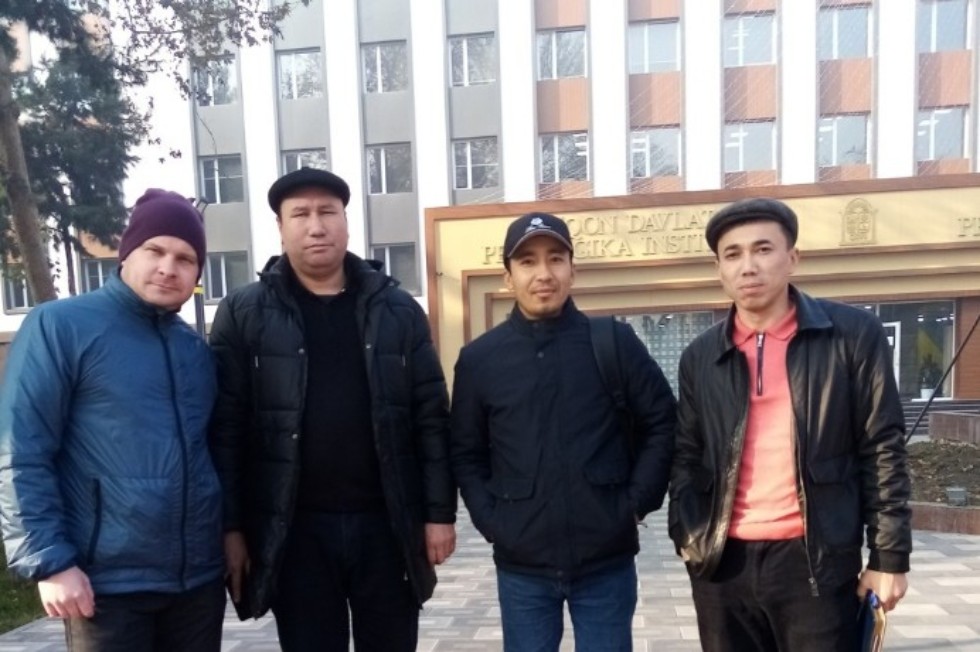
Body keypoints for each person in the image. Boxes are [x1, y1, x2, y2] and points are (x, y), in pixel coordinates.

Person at [208, 167, 456, 651]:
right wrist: (231, 527)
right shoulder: (244, 313)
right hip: (294, 530)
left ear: (346, 221)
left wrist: (439, 514)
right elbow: (226, 430)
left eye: (328, 212)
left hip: (387, 525)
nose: (316, 226)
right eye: (300, 214)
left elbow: (431, 419)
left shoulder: (398, 310)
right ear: (280, 227)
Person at [668, 197, 912, 651]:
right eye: (733, 254)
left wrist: (889, 556)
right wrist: (686, 533)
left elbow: (882, 447)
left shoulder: (852, 335)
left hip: (816, 561)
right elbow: (687, 453)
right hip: (722, 565)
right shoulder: (701, 356)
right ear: (719, 268)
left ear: (792, 258)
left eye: (763, 249)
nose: (748, 266)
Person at [0, 190, 225, 651]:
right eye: (155, 250)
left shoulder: (194, 350)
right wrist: (49, 561)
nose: (168, 267)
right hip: (105, 586)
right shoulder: (60, 326)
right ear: (126, 254)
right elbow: (20, 449)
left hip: (196, 584)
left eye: (185, 259)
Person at [450, 212, 677, 652]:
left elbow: (662, 422)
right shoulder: (480, 360)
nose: (544, 274)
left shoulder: (614, 342)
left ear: (573, 269)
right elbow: (465, 451)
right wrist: (493, 521)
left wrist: (636, 503)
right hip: (522, 566)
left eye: (555, 258)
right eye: (528, 262)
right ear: (508, 277)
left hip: (606, 561)